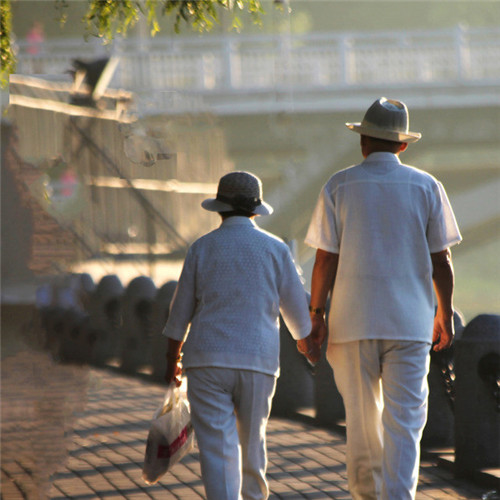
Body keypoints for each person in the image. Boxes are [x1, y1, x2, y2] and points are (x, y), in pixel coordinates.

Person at [305, 97, 462, 500]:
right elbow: (441, 260)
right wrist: (443, 314)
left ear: (363, 142)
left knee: (361, 423)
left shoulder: (338, 185)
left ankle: (366, 496)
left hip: (351, 323)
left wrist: (316, 313)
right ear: (403, 145)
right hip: (410, 324)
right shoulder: (427, 186)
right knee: (405, 423)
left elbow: (325, 258)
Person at [163, 171, 318, 500]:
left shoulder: (201, 248)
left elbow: (180, 313)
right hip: (257, 361)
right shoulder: (275, 249)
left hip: (206, 361)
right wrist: (307, 343)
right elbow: (296, 309)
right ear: (256, 210)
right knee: (252, 448)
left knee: (217, 451)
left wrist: (171, 359)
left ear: (219, 209)